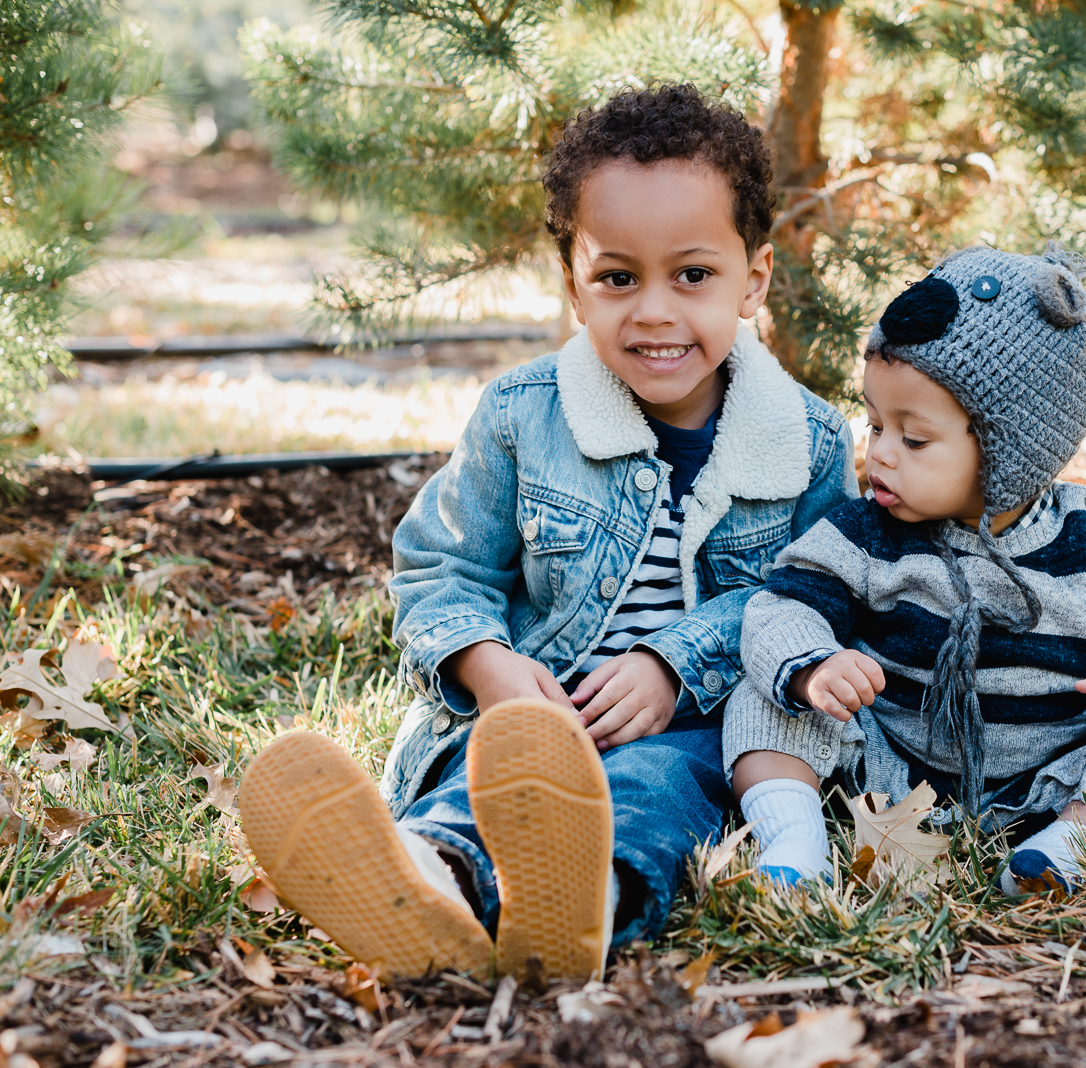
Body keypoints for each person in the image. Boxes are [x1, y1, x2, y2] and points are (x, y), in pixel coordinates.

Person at [236, 84, 858, 980]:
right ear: (574, 284)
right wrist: (489, 673)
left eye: (692, 275)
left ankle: (581, 903)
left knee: (655, 790)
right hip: (531, 716)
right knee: (483, 780)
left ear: (753, 279)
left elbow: (813, 598)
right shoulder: (525, 415)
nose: (652, 311)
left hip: (700, 727)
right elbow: (437, 567)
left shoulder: (806, 440)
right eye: (617, 277)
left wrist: (673, 663)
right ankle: (431, 881)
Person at [724, 245, 1086, 893]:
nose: (880, 453)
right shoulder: (866, 532)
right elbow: (784, 606)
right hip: (892, 770)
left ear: (1013, 449)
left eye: (913, 438)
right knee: (761, 700)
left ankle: (1069, 844)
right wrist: (812, 667)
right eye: (874, 424)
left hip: (1045, 775)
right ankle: (794, 839)